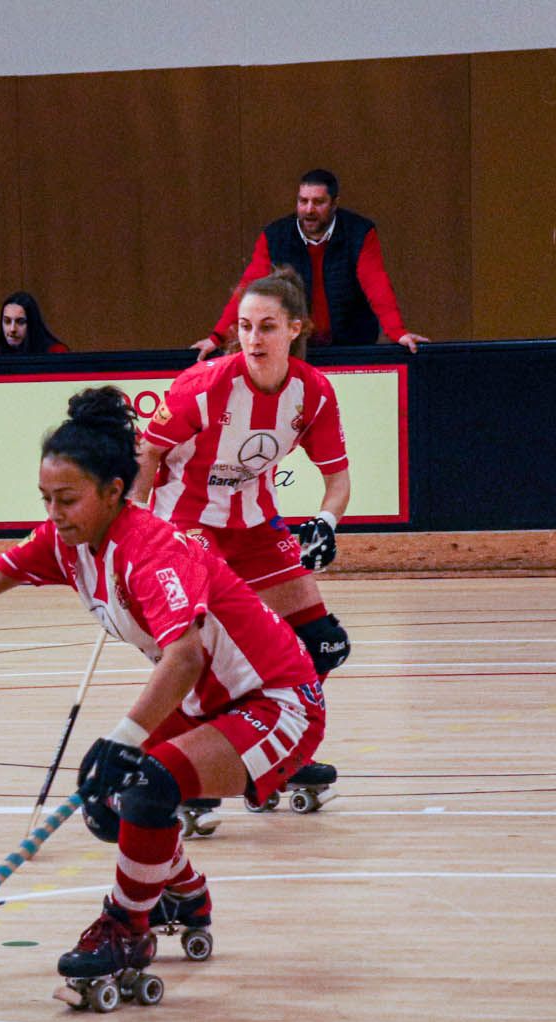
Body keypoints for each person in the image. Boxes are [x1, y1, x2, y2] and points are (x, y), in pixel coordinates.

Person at [0, 389, 325, 1005]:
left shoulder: (153, 548)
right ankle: (182, 892)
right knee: (109, 804)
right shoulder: (68, 541)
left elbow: (185, 656)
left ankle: (126, 928)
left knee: (145, 784)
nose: (54, 513)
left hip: (275, 703)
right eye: (46, 500)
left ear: (114, 490)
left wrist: (126, 738)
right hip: (203, 706)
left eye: (67, 499)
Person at [140, 266, 350, 821]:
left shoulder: (313, 393)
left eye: (267, 327)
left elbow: (337, 478)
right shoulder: (205, 385)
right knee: (203, 659)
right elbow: (147, 454)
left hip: (255, 523)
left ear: (294, 329)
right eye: (245, 327)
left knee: (322, 643)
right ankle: (188, 765)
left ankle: (279, 753)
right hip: (186, 525)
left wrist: (326, 522)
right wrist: (138, 525)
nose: (254, 339)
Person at [194, 169, 425, 359]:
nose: (308, 210)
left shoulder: (359, 232)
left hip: (351, 346)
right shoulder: (275, 236)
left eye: (318, 202)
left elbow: (376, 284)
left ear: (335, 203)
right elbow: (249, 288)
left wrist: (397, 332)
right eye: (303, 201)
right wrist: (217, 337)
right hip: (297, 349)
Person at [0, 291, 69, 355]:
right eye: (7, 321)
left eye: (20, 322)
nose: (12, 329)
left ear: (32, 324)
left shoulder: (56, 352)